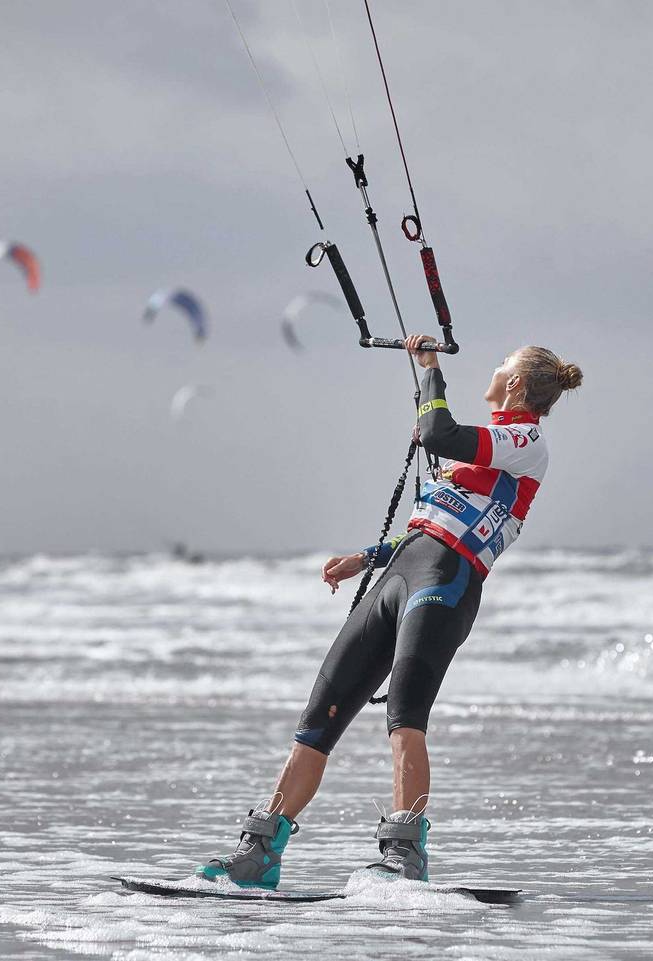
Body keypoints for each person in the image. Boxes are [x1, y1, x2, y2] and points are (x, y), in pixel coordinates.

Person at [197, 336, 583, 888]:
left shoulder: (524, 441)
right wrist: (366, 558)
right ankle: (260, 853)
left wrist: (430, 371)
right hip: (400, 574)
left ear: (517, 385)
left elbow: (437, 433)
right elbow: (432, 521)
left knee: (404, 714)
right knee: (318, 719)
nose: (496, 368)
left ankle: (404, 856)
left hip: (446, 583)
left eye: (505, 365)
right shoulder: (494, 447)